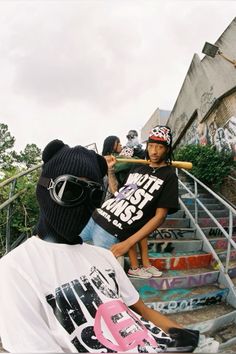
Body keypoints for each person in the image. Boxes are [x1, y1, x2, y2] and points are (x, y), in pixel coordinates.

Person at [0, 139, 200, 353]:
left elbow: (141, 310)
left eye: (94, 195)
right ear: (45, 187)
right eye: (69, 189)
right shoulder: (15, 270)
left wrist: (185, 337)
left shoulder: (104, 257)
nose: (82, 204)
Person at [81, 125, 179, 279]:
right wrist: (110, 171)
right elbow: (117, 193)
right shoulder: (138, 168)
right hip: (95, 216)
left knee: (100, 280)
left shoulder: (169, 176)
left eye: (159, 147)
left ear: (167, 149)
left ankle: (140, 266)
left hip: (111, 232)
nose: (153, 151)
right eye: (151, 146)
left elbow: (160, 217)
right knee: (55, 247)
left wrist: (127, 243)